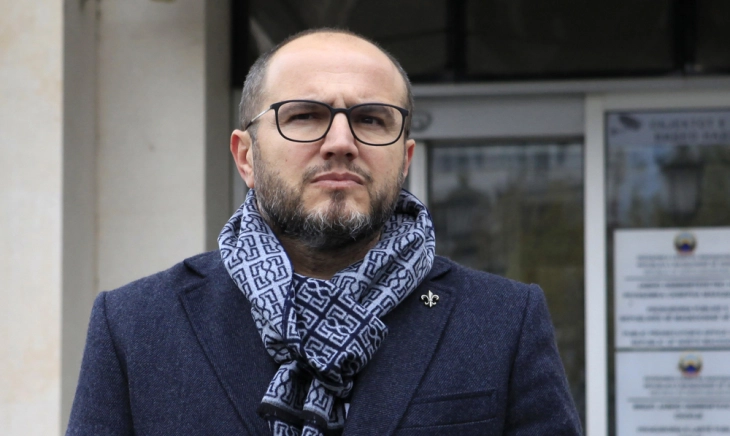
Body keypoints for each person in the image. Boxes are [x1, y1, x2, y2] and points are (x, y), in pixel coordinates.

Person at [67, 28, 582, 436]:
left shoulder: (502, 322)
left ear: (404, 159)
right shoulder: (136, 327)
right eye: (305, 116)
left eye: (372, 119)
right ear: (246, 156)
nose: (340, 141)